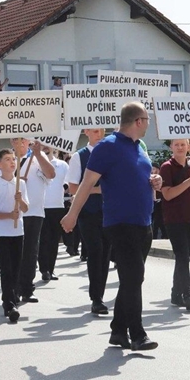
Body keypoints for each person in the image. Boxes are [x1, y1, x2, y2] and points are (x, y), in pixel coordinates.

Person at [61, 101, 162, 352]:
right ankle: (137, 334)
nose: (149, 125)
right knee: (134, 277)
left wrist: (154, 181)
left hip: (143, 221)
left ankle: (118, 331)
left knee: (130, 279)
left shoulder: (140, 148)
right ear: (138, 121)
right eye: (147, 120)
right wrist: (72, 214)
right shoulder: (107, 147)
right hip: (120, 222)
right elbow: (86, 184)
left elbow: (138, 177)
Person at [0, 138, 55, 302]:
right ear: (12, 142)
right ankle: (13, 288)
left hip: (33, 211)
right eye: (15, 140)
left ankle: (27, 288)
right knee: (15, 253)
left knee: (30, 251)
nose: (20, 143)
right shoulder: (6, 161)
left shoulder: (38, 157)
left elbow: (51, 174)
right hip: (13, 214)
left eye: (23, 140)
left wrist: (38, 155)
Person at [65, 128, 112, 314]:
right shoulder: (79, 156)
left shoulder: (111, 153)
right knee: (95, 251)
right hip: (87, 212)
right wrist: (98, 190)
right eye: (94, 131)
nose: (99, 134)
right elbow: (73, 188)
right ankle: (96, 298)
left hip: (109, 211)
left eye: (101, 130)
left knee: (106, 253)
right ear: (86, 132)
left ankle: (100, 293)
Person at [160, 139, 190, 310]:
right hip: (174, 219)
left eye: (183, 144)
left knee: (184, 256)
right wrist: (189, 181)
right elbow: (168, 194)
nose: (180, 147)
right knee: (181, 255)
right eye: (176, 144)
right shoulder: (167, 167)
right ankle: (187, 292)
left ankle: (175, 293)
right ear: (171, 147)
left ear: (188, 147)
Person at [0, 148, 29, 323]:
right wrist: (8, 215)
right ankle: (9, 304)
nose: (12, 162)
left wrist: (21, 200)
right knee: (6, 268)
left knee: (17, 268)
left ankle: (13, 295)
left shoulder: (21, 184)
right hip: (1, 232)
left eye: (13, 159)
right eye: (7, 159)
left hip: (17, 231)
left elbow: (26, 209)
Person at [38, 145, 68, 281]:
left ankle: (51, 268)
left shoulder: (62, 165)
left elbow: (68, 182)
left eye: (47, 146)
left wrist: (65, 189)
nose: (45, 148)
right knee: (44, 240)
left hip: (57, 206)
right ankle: (44, 269)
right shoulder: (35, 163)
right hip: (40, 207)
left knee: (54, 240)